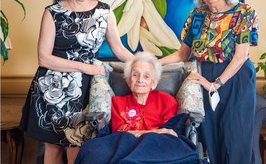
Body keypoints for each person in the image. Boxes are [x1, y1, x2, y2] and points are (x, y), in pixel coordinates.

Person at [19, 0, 133, 164]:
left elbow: (118, 49)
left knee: (77, 148)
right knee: (53, 148)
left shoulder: (104, 12)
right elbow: (44, 58)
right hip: (51, 89)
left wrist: (145, 63)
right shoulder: (52, 12)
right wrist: (85, 67)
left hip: (85, 89)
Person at [160, 0, 259, 164]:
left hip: (236, 78)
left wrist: (216, 84)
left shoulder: (243, 12)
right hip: (203, 77)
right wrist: (153, 64)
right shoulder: (196, 16)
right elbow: (182, 54)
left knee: (236, 137)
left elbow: (241, 56)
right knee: (209, 140)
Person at [75, 51, 209, 164]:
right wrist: (156, 132)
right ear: (128, 81)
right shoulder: (117, 102)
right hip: (126, 147)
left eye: (146, 76)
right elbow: (119, 135)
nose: (140, 79)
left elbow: (169, 135)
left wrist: (150, 134)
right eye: (135, 74)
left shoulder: (167, 101)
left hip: (157, 149)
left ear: (154, 83)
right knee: (91, 150)